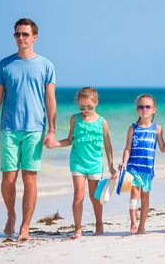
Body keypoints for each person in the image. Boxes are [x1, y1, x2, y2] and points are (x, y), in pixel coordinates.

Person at [0, 18, 57, 241]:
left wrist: (51, 129)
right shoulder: (5, 64)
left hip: (35, 128)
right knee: (8, 179)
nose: (20, 38)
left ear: (34, 37)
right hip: (9, 128)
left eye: (25, 34)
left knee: (30, 178)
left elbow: (50, 99)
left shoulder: (46, 65)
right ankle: (11, 214)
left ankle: (25, 226)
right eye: (17, 34)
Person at [51, 87, 116, 239]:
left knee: (95, 197)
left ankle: (99, 224)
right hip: (77, 162)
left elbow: (107, 145)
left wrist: (111, 165)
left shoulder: (102, 122)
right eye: (81, 106)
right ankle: (78, 228)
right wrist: (55, 144)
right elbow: (69, 140)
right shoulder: (75, 119)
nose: (85, 110)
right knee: (78, 195)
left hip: (94, 164)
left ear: (96, 103)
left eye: (89, 107)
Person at [119, 94, 165, 234]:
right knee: (134, 193)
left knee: (145, 198)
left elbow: (163, 148)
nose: (144, 109)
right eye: (141, 106)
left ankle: (142, 226)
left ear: (153, 110)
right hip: (132, 167)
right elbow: (127, 148)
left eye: (147, 106)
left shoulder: (157, 129)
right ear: (137, 110)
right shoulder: (133, 129)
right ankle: (133, 222)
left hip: (147, 170)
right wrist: (124, 162)